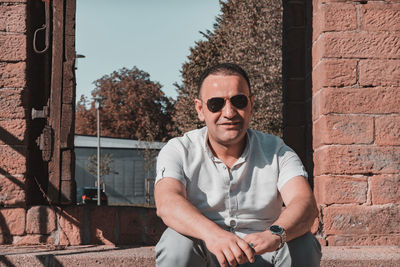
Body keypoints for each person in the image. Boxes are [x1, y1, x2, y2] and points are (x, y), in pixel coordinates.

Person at [154, 63, 321, 267]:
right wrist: (214, 235)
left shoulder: (278, 151)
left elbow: (304, 201)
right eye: (216, 104)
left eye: (239, 101)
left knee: (302, 243)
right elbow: (168, 202)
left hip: (264, 252)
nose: (229, 112)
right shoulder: (179, 149)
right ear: (200, 109)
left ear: (251, 105)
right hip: (207, 252)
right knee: (175, 243)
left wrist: (275, 234)